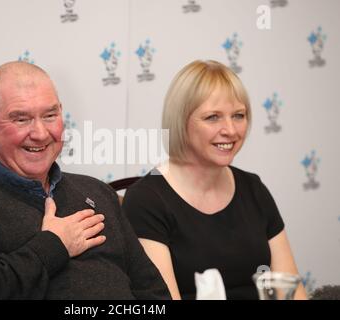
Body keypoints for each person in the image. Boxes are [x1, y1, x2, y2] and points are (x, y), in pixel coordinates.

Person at [0, 61, 171, 300]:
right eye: (21, 119)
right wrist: (53, 245)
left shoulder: (96, 191)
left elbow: (153, 292)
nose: (39, 133)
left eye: (50, 116)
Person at [122, 60, 307, 300]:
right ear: (181, 121)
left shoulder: (253, 188)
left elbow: (291, 293)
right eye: (212, 117)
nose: (230, 130)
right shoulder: (146, 200)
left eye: (238, 115)